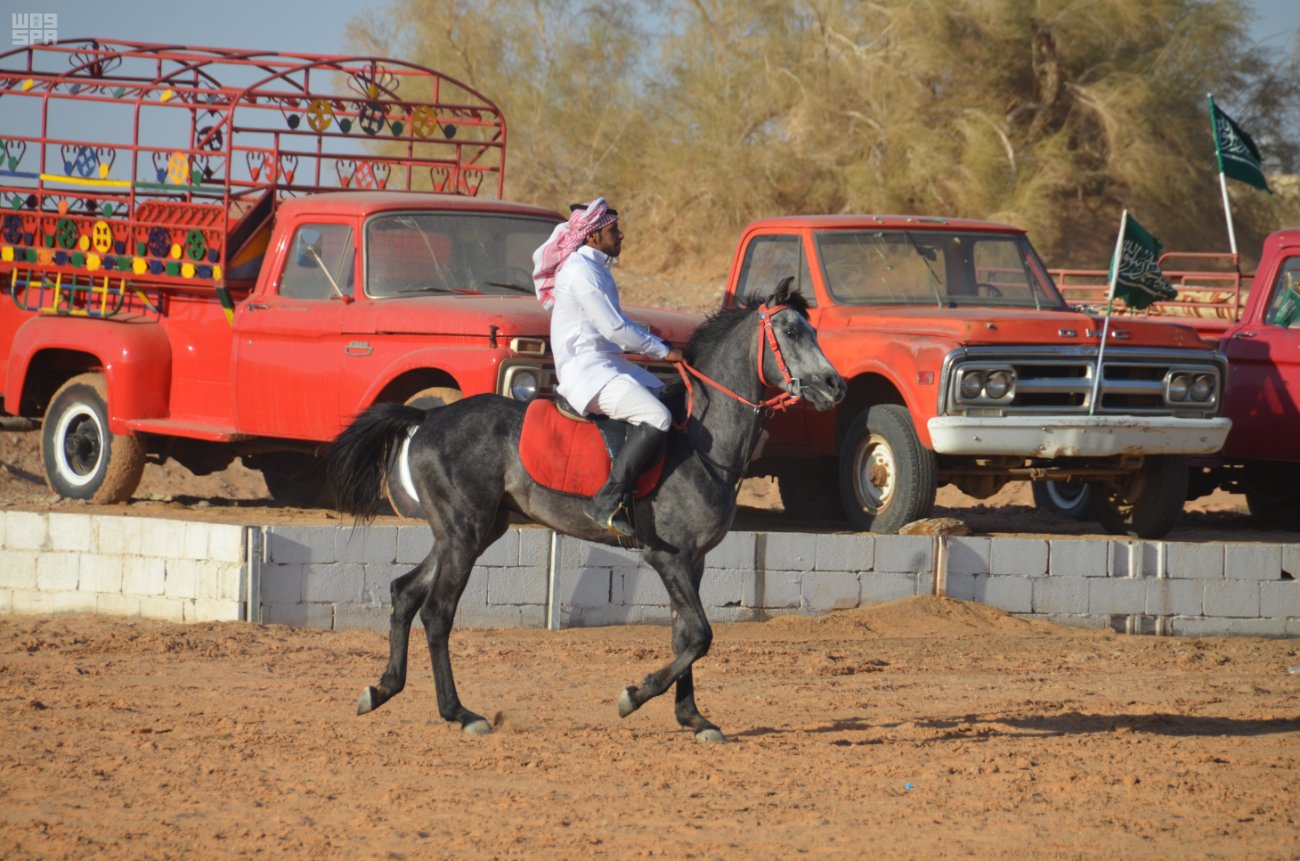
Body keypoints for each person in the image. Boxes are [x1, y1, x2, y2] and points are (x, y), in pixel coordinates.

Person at [532, 197, 683, 537]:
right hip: (587, 373)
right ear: (592, 236)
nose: (621, 235)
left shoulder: (596, 267)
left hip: (607, 363)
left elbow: (615, 325)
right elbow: (613, 329)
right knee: (657, 417)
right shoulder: (582, 272)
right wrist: (662, 352)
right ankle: (607, 500)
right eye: (614, 230)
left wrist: (647, 334)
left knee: (670, 395)